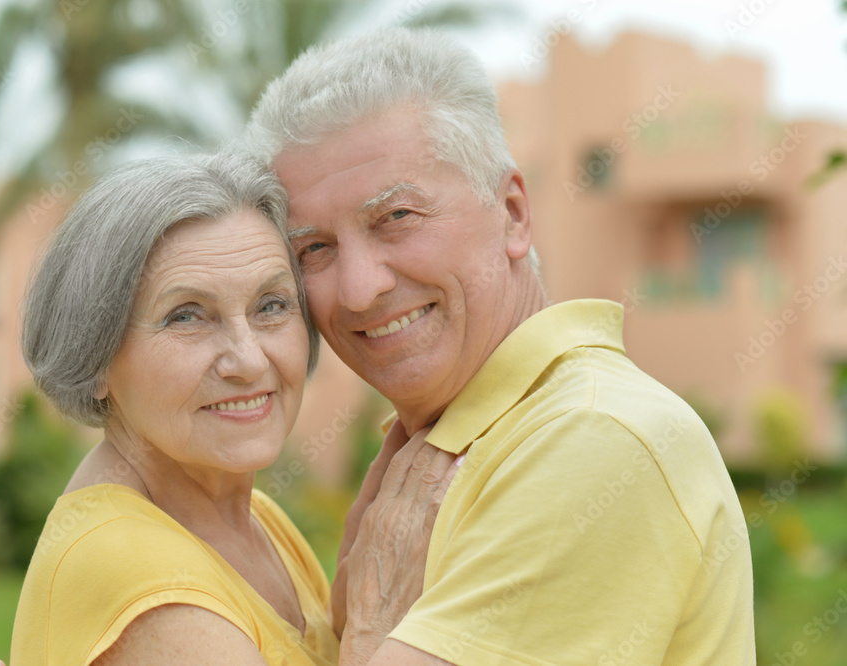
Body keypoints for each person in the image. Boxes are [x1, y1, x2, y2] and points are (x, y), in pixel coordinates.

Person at [245, 27, 756, 665]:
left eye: (397, 217)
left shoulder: (592, 438)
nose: (357, 290)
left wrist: (372, 629)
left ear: (512, 213)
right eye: (313, 248)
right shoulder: (454, 445)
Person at [4, 150, 457, 665]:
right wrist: (379, 627)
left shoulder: (258, 520)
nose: (247, 359)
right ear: (98, 355)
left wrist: (351, 614)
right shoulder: (143, 579)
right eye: (187, 317)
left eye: (271, 305)